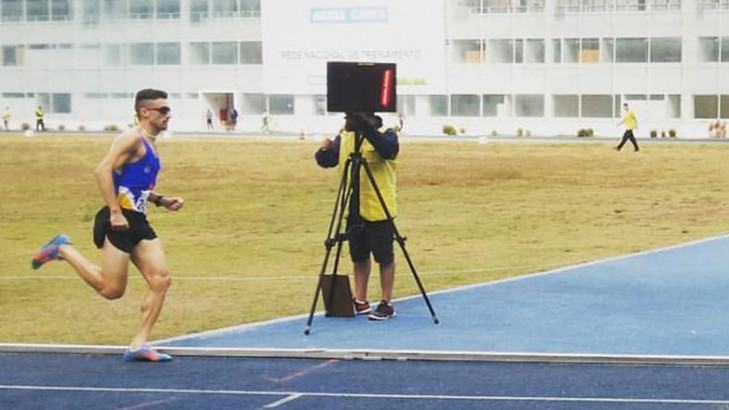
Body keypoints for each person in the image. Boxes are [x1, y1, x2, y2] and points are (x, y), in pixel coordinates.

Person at [31, 89, 184, 362]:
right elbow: (102, 170)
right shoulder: (131, 139)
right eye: (162, 110)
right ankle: (63, 249)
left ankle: (139, 344)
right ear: (145, 112)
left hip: (138, 220)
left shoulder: (151, 144)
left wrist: (161, 200)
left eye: (168, 110)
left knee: (161, 280)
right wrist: (115, 212)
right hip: (119, 220)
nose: (168, 115)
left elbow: (132, 186)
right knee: (112, 290)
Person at [315, 112, 399, 321]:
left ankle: (386, 302)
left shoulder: (386, 134)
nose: (348, 122)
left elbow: (388, 151)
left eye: (352, 118)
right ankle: (360, 300)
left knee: (384, 256)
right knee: (359, 255)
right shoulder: (344, 138)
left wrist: (365, 128)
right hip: (354, 205)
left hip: (379, 206)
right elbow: (328, 161)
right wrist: (323, 150)